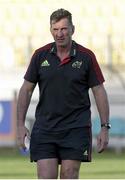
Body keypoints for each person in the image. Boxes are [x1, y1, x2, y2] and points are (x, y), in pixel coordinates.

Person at [17, 8, 110, 179]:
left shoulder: (86, 57)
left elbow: (99, 91)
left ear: (72, 30)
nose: (59, 33)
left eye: (64, 29)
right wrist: (20, 124)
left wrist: (105, 127)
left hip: (76, 128)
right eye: (55, 29)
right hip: (45, 129)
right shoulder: (40, 55)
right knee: (46, 177)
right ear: (51, 30)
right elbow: (26, 90)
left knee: (69, 174)